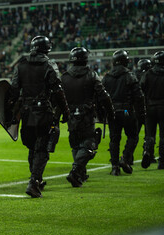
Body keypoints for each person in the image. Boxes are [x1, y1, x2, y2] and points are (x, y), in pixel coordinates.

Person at [10, 35, 70, 198]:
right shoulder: (49, 64)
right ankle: (34, 182)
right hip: (43, 111)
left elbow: (13, 91)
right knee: (42, 148)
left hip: (26, 112)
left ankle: (37, 179)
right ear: (46, 49)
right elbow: (57, 89)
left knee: (32, 147)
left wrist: (11, 114)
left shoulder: (21, 65)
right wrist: (65, 111)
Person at [61, 47, 114, 187]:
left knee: (75, 144)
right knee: (89, 143)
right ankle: (75, 171)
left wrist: (59, 116)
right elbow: (103, 95)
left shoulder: (64, 77)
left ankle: (80, 174)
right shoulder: (91, 75)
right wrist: (110, 112)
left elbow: (58, 99)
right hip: (87, 115)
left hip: (71, 116)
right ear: (85, 59)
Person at [102, 50, 146, 176]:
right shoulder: (130, 76)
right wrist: (141, 113)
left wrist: (103, 113)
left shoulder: (107, 77)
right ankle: (125, 158)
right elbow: (139, 97)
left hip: (113, 111)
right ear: (124, 61)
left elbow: (101, 97)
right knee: (133, 136)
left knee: (114, 139)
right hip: (126, 110)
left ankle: (115, 167)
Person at [140, 51, 164, 169]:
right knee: (163, 136)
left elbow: (141, 90)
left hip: (149, 107)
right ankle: (162, 161)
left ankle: (148, 152)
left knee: (150, 134)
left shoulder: (148, 74)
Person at [135, 59, 156, 165]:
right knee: (150, 133)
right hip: (149, 108)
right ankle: (149, 153)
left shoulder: (134, 76)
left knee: (134, 134)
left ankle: (128, 157)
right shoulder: (151, 75)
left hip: (137, 110)